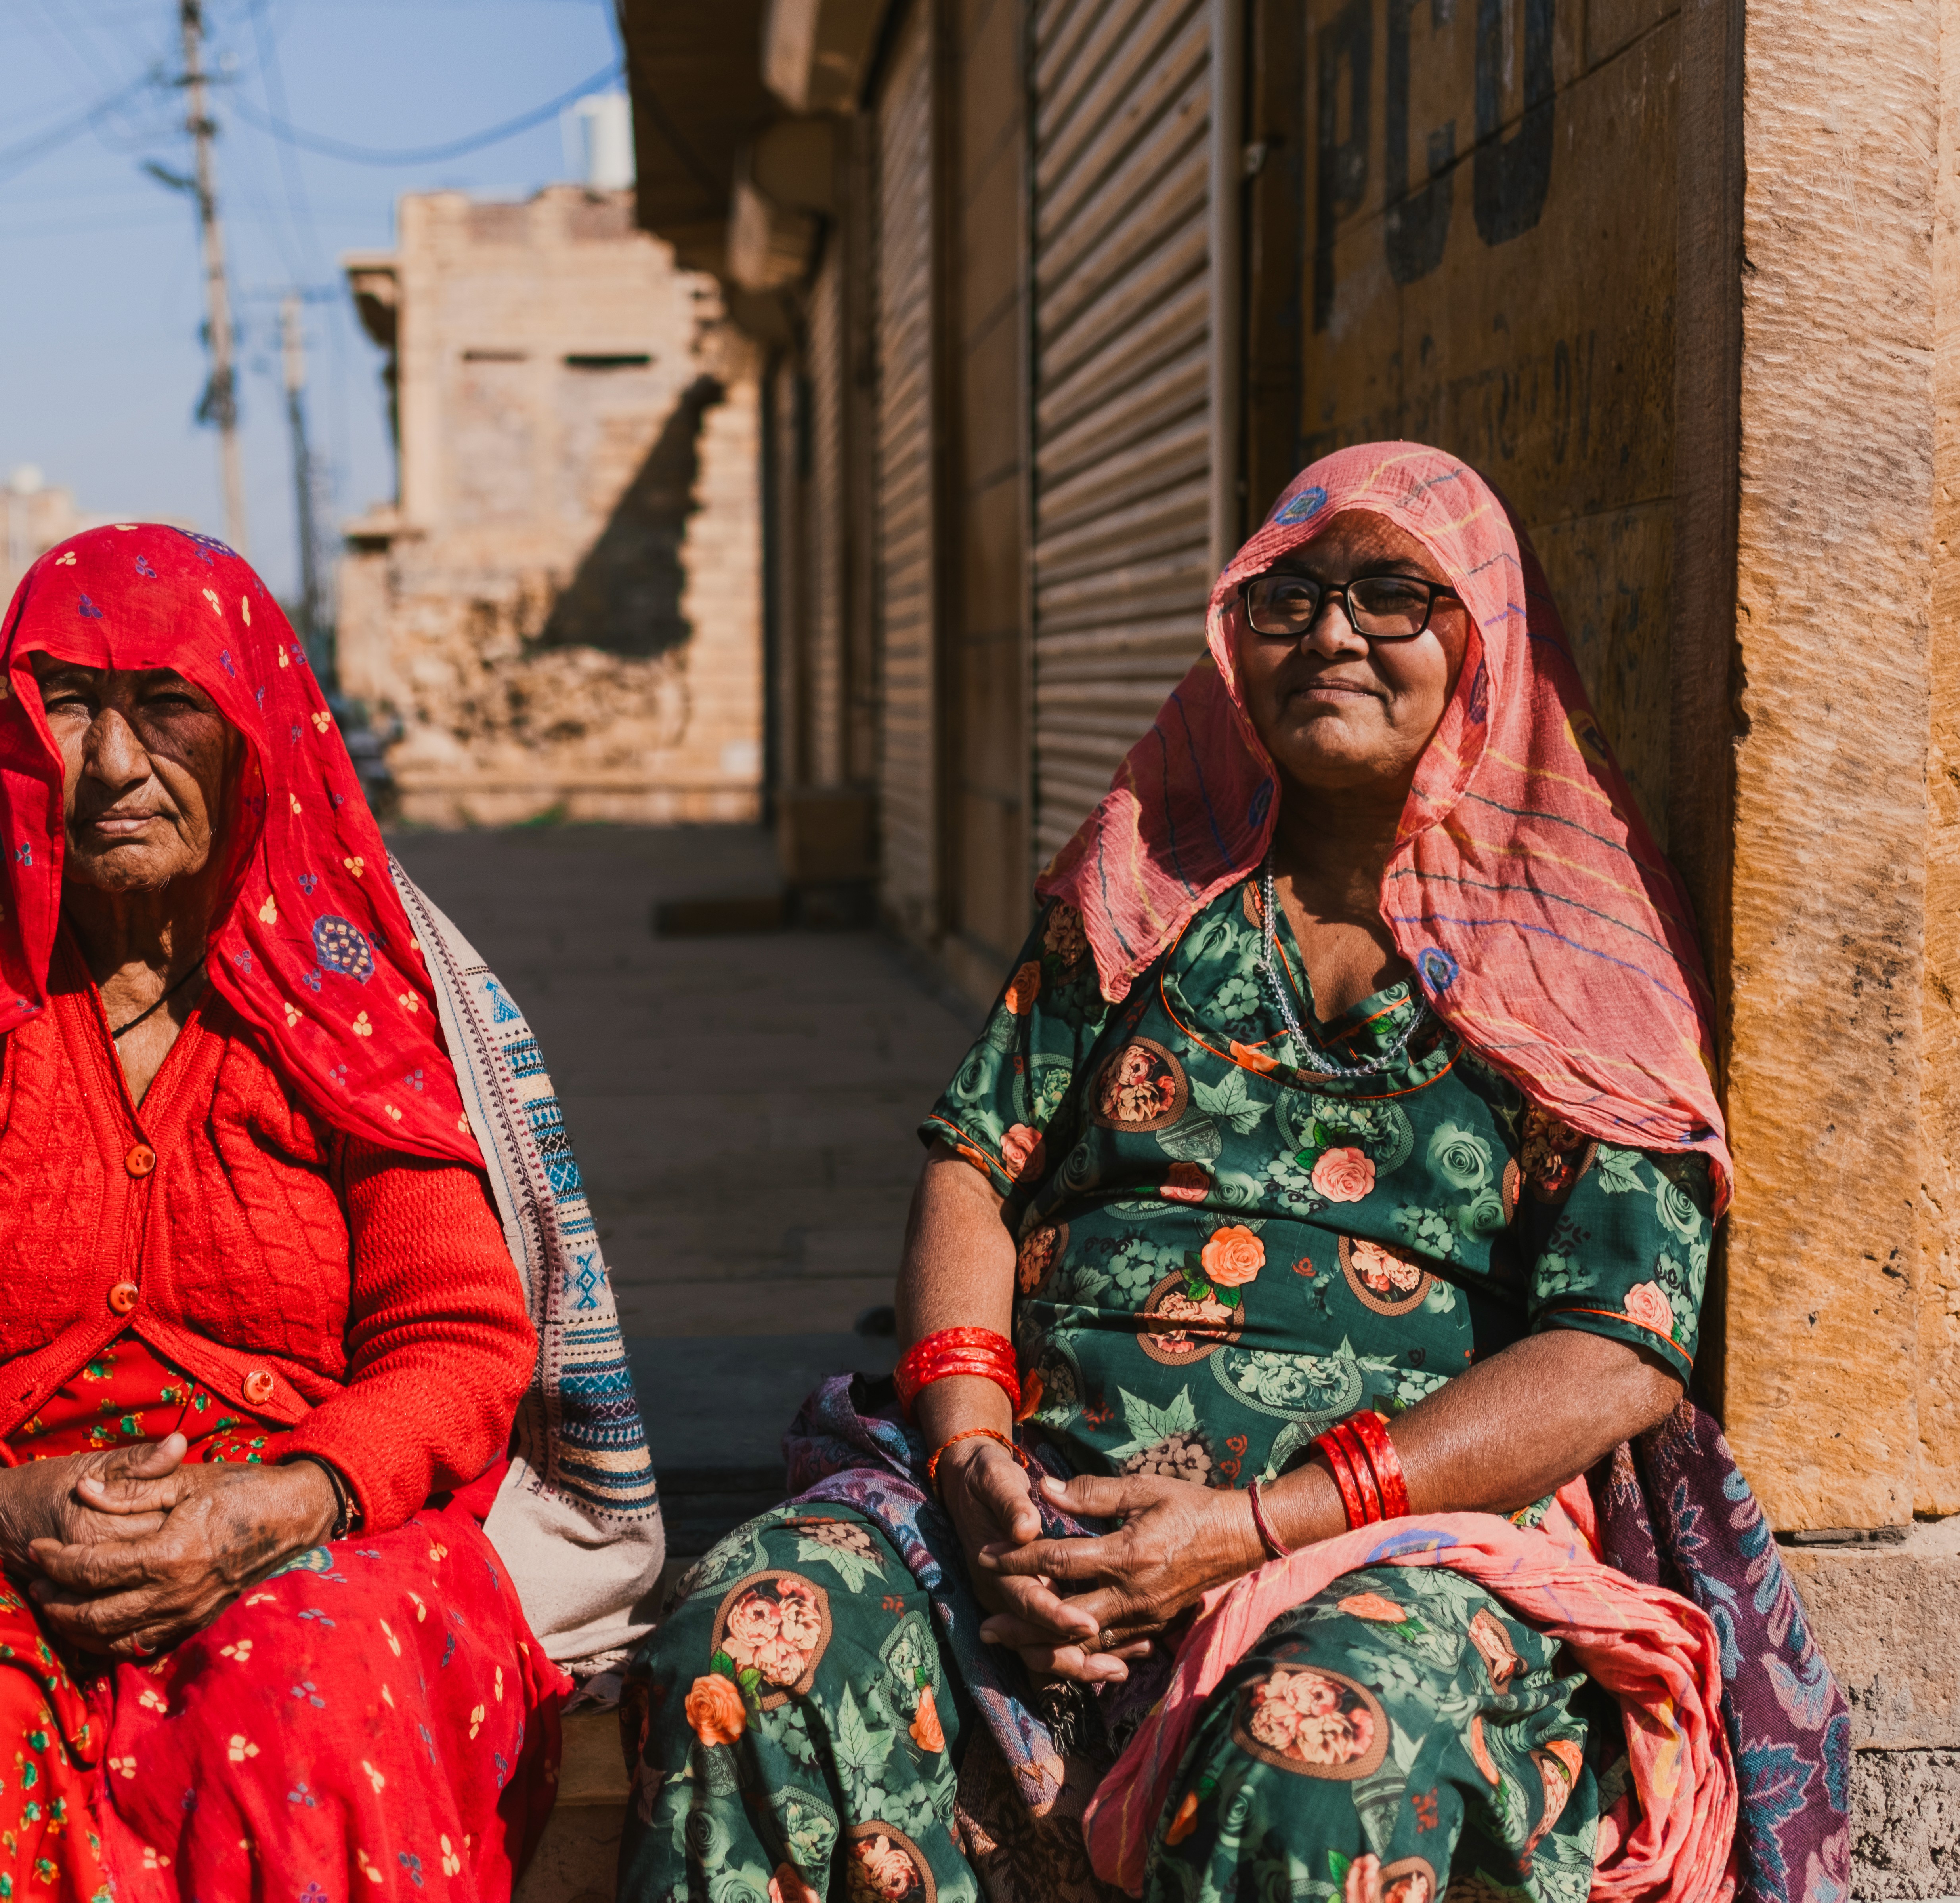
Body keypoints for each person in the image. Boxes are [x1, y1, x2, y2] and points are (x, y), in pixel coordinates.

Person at [618, 443, 1847, 1903]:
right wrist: (973, 1471)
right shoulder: (1144, 885)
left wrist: (1255, 1530)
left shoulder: (1577, 945)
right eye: (1291, 596)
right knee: (747, 1636)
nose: (1333, 633)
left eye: (1396, 596)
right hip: (1043, 1513)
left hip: (1388, 1542)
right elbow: (971, 1165)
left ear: (1486, 641)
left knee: (1317, 1752)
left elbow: (1620, 1348)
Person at [0, 525, 570, 1901]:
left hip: (308, 1519)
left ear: (254, 729)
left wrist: (282, 1502)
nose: (114, 764)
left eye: (168, 706)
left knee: (308, 1700)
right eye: (68, 704)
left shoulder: (350, 1001)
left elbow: (455, 1338)